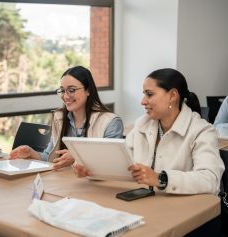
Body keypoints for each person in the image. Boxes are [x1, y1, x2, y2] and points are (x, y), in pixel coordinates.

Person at [74, 68, 224, 195]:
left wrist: (161, 179)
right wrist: (93, 170)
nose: (142, 101)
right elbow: (123, 166)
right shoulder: (142, 125)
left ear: (172, 96)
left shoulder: (202, 131)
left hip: (187, 214)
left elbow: (210, 180)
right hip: (148, 205)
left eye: (149, 94)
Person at [10, 65, 124, 170]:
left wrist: (77, 157)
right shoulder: (59, 118)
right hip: (66, 183)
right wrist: (31, 153)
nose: (65, 96)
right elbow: (50, 157)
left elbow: (112, 163)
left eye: (71, 90)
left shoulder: (110, 122)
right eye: (63, 91)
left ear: (88, 90)